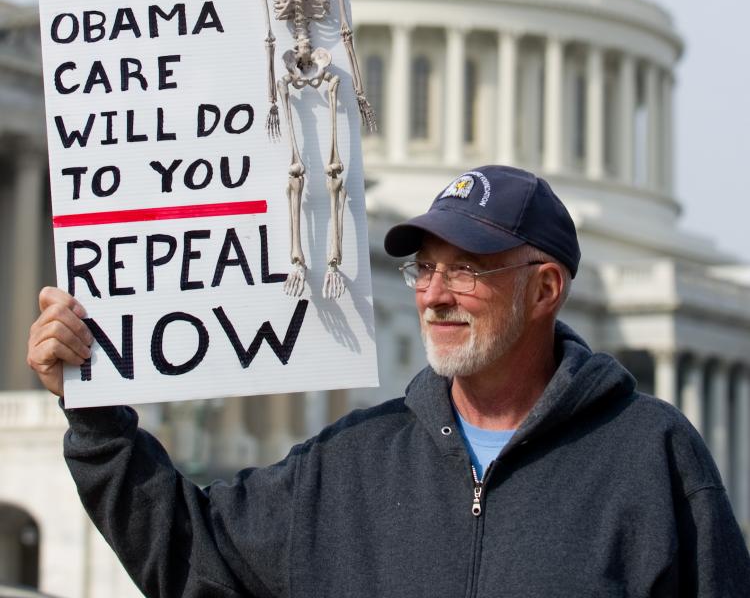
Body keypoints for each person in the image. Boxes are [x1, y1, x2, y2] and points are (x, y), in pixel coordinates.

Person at [28, 165, 750, 597]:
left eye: (466, 268)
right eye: (424, 268)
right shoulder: (351, 465)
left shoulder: (650, 459)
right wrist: (95, 416)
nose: (434, 294)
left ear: (545, 289)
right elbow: (192, 556)